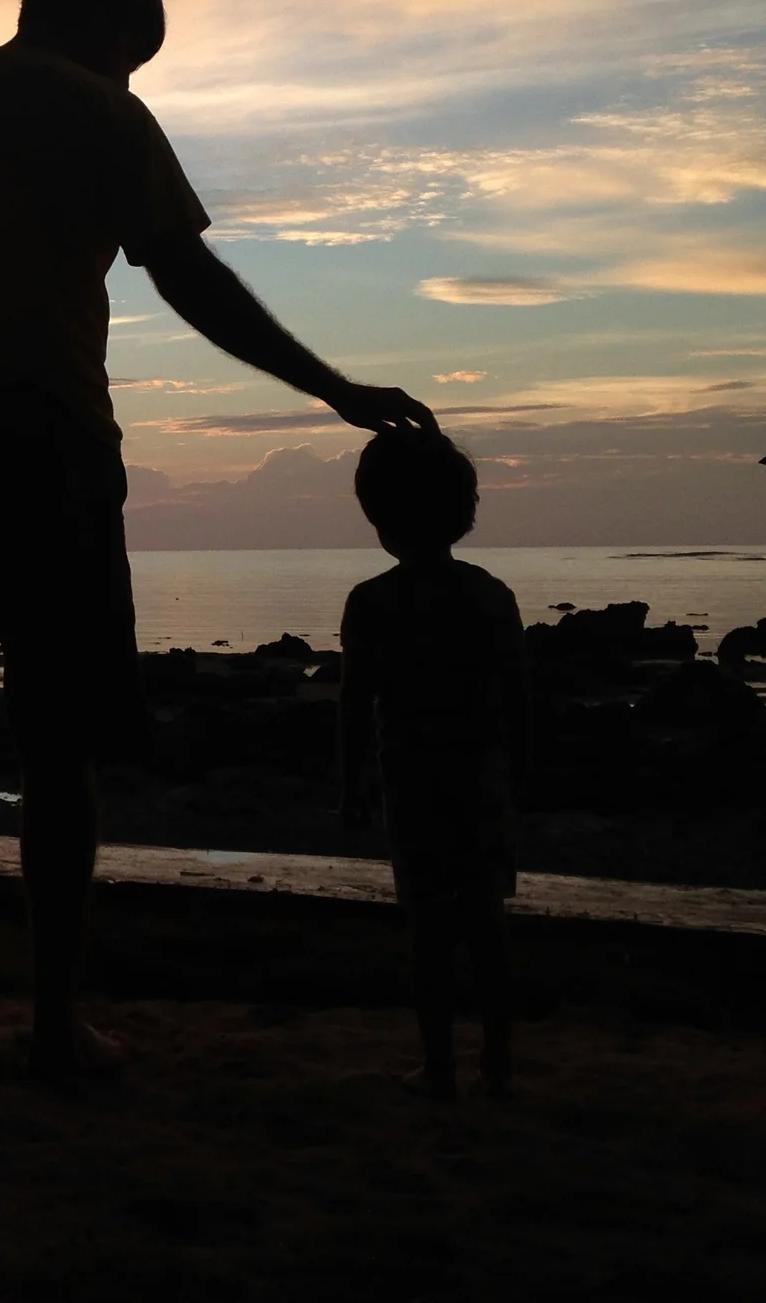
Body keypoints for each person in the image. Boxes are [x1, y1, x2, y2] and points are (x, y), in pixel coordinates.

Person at [0, 0, 435, 1075]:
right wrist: (332, 387)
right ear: (107, 25)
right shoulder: (107, 116)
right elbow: (191, 279)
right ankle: (54, 1022)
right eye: (133, 57)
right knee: (61, 751)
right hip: (52, 447)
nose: (131, 81)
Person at [336, 428, 528, 1100]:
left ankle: (441, 1065)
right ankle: (498, 1062)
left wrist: (350, 783)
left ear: (380, 518)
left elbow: (356, 703)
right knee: (486, 923)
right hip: (482, 780)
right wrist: (523, 777)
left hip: (412, 783)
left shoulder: (372, 602)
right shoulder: (491, 596)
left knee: (430, 929)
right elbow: (518, 698)